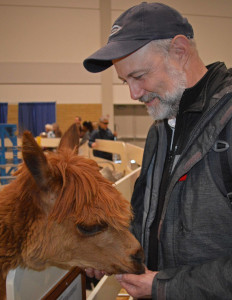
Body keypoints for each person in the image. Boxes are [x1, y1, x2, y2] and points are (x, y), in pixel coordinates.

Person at [83, 2, 232, 299]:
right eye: (125, 81)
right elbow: (147, 222)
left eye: (138, 76)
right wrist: (107, 250)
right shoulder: (159, 130)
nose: (133, 93)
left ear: (179, 51)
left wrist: (165, 286)